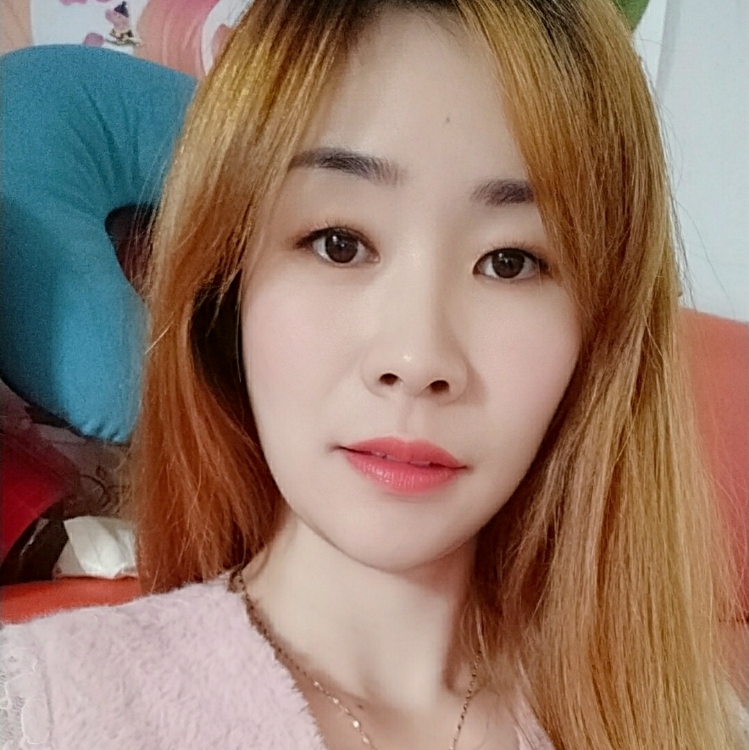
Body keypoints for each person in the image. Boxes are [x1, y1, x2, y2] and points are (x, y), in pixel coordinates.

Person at [1, 0, 746, 748]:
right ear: (228, 292)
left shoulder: (683, 718)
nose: (416, 360)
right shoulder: (40, 709)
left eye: (509, 261)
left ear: (598, 332)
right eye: (339, 243)